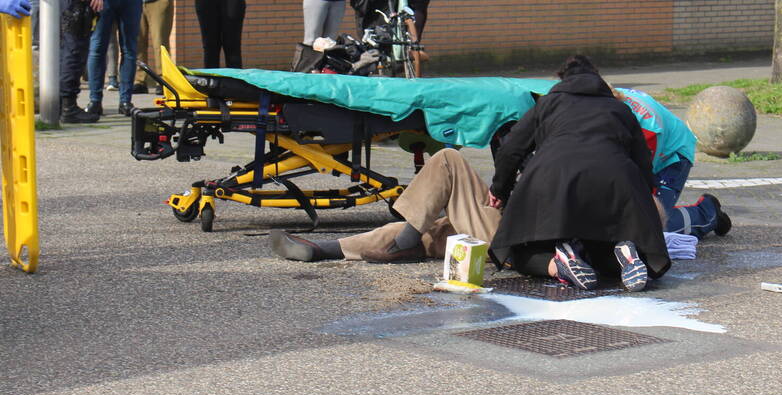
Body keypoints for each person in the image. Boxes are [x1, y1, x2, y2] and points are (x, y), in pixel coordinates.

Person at [268, 147, 730, 265]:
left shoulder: (592, 169)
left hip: (509, 234)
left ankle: (408, 225)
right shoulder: (611, 169)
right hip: (512, 237)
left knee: (447, 161)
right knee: (435, 232)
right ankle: (331, 248)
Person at [487, 55, 671, 292]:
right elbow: (643, 162)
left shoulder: (547, 104)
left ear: (561, 80)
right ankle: (624, 253)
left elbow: (511, 148)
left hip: (553, 180)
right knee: (599, 249)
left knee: (520, 253)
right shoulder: (620, 109)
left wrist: (499, 189)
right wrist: (642, 202)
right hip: (615, 183)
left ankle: (559, 262)